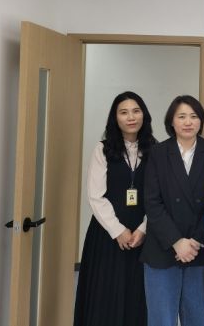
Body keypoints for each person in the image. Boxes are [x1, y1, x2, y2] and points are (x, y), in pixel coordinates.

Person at [74, 91, 156, 326]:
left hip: (144, 235)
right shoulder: (103, 149)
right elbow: (95, 195)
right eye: (124, 112)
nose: (131, 117)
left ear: (144, 115)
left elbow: (160, 196)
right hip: (107, 235)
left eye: (136, 111)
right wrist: (118, 230)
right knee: (105, 297)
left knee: (138, 297)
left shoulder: (156, 149)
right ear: (115, 118)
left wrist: (143, 229)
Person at [141, 95, 204, 326]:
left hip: (198, 249)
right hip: (163, 247)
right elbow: (152, 202)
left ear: (201, 121)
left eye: (194, 116)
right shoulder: (158, 152)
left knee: (196, 318)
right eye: (182, 116)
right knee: (161, 319)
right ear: (172, 121)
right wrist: (176, 241)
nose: (188, 122)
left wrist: (195, 241)